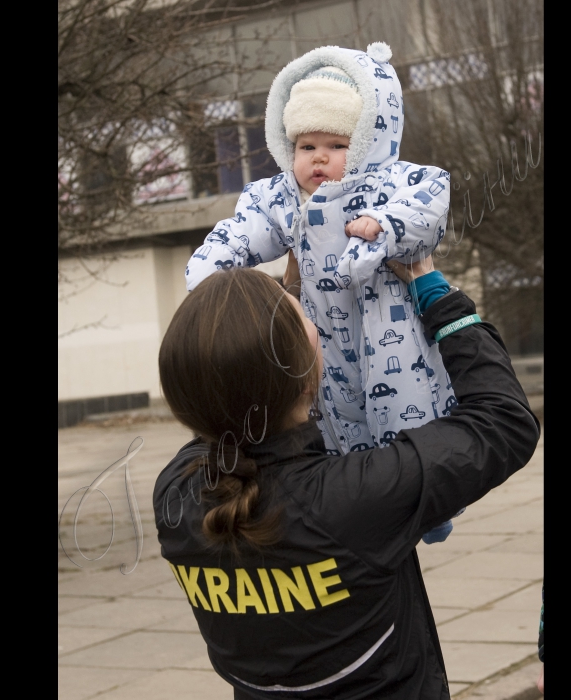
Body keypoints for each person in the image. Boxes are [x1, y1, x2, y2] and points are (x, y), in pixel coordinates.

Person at [154, 263, 540, 699]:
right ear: (305, 376)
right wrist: (436, 294)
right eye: (305, 320)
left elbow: (224, 390)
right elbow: (503, 424)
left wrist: (294, 281)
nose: (315, 325)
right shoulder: (354, 499)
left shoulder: (175, 496)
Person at [186, 42, 459, 543]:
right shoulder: (281, 198)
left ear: (363, 143)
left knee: (406, 412)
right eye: (306, 147)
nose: (319, 159)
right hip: (319, 334)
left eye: (335, 146)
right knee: (331, 421)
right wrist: (209, 274)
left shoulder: (390, 181)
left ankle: (431, 509)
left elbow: (430, 202)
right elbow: (244, 230)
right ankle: (353, 508)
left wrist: (385, 224)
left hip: (387, 326)